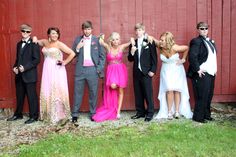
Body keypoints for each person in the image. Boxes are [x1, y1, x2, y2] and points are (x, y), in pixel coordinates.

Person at [33, 27, 75, 124]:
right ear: (49, 35)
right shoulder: (44, 42)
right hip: (47, 70)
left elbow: (72, 53)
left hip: (57, 70)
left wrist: (65, 62)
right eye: (53, 33)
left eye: (56, 33)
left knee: (57, 90)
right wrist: (34, 38)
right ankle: (47, 114)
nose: (55, 35)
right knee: (47, 89)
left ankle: (59, 115)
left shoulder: (59, 44)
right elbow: (36, 41)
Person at [92, 32, 134, 122]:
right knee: (112, 86)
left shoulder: (121, 47)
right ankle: (111, 107)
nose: (116, 41)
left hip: (120, 71)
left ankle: (118, 111)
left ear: (119, 40)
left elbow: (130, 42)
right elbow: (101, 42)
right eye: (114, 39)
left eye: (117, 39)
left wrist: (132, 40)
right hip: (111, 71)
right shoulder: (108, 47)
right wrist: (101, 37)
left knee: (120, 91)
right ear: (111, 40)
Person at [150, 32, 192, 120]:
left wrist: (183, 59)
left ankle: (177, 111)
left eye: (162, 40)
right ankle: (169, 111)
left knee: (177, 90)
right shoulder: (160, 46)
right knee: (169, 89)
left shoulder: (175, 47)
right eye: (160, 40)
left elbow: (186, 48)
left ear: (168, 41)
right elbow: (151, 37)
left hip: (177, 69)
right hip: (166, 70)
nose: (160, 41)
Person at [71, 21, 105, 122]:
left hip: (92, 70)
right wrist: (78, 47)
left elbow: (102, 57)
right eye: (85, 29)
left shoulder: (97, 40)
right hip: (80, 69)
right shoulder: (78, 39)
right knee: (77, 92)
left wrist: (98, 69)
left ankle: (93, 113)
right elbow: (73, 53)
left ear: (92, 29)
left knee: (93, 93)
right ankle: (75, 114)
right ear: (83, 30)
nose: (87, 31)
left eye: (89, 29)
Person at [7, 24, 40, 124]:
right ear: (21, 32)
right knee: (19, 96)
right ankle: (18, 114)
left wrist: (25, 68)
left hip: (30, 75)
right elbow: (18, 59)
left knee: (31, 96)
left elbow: (37, 60)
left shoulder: (34, 44)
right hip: (19, 75)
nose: (25, 33)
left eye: (27, 32)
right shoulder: (18, 44)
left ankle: (34, 116)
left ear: (30, 32)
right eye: (23, 31)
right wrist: (15, 67)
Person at [187, 22, 217, 123]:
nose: (204, 30)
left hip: (211, 73)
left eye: (206, 28)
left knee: (209, 95)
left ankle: (206, 115)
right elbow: (192, 56)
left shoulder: (211, 41)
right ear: (198, 30)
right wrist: (197, 69)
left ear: (208, 30)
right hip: (202, 73)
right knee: (201, 95)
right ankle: (198, 117)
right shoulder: (196, 41)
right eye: (201, 28)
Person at [128, 23, 157, 122]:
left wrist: (153, 70)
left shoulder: (149, 41)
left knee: (148, 93)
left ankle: (150, 113)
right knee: (138, 93)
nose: (138, 32)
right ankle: (140, 112)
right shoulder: (133, 43)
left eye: (140, 30)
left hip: (146, 71)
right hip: (137, 72)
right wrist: (132, 52)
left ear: (143, 30)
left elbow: (154, 57)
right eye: (136, 30)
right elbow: (130, 59)